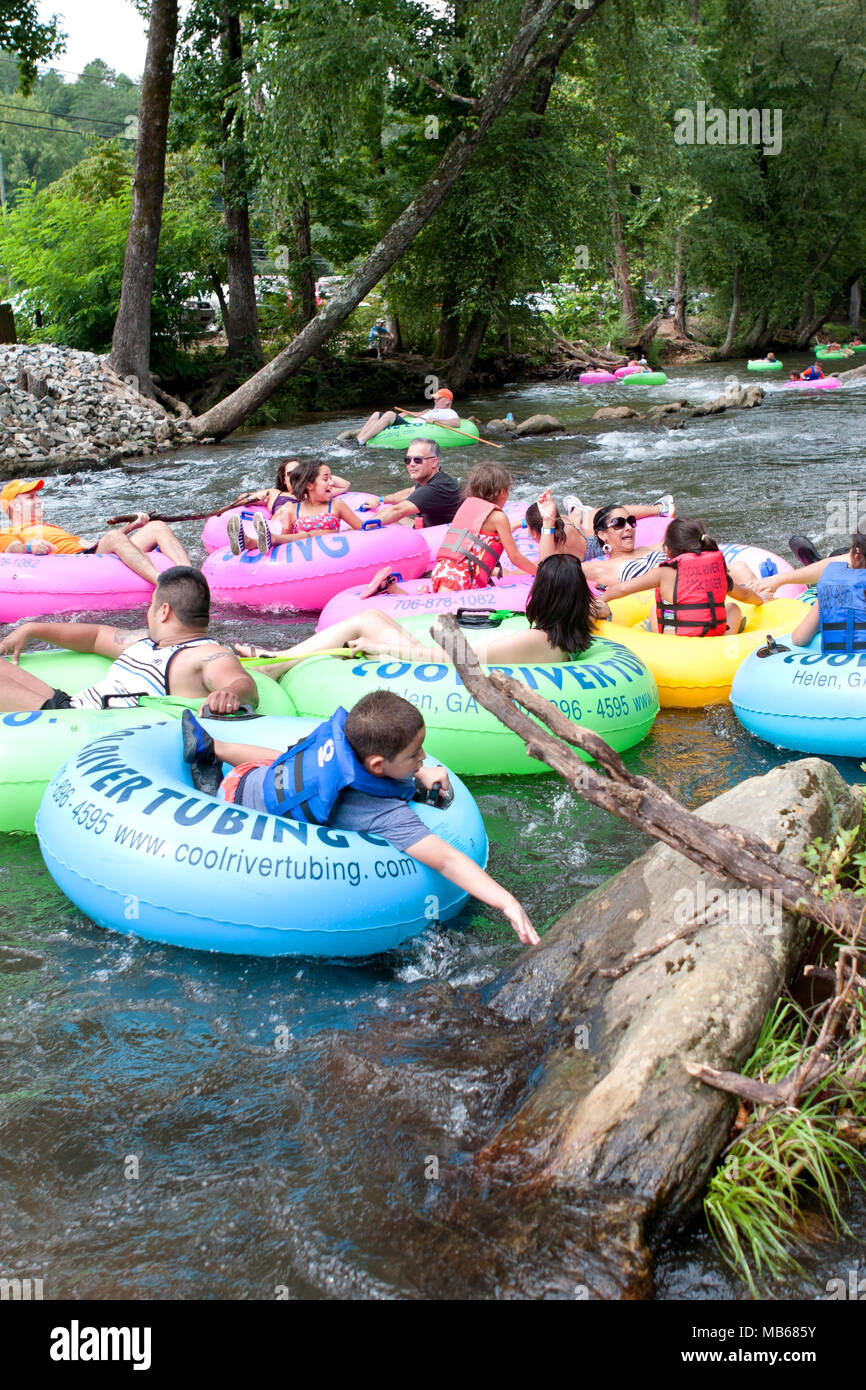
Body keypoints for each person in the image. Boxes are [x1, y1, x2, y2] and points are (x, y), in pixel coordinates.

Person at [180, 690, 537, 945]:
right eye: (416, 753)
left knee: (279, 758)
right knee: (275, 764)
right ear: (378, 766)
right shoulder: (380, 812)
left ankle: (213, 747)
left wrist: (418, 772)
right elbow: (445, 859)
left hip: (248, 775)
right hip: (230, 801)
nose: (423, 756)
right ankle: (209, 768)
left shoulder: (344, 746)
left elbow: (376, 772)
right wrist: (507, 901)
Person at [234, 552, 604, 671]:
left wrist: (384, 650)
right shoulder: (573, 630)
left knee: (368, 623)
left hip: (446, 676)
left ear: (544, 595)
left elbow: (458, 660)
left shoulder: (535, 639)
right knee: (376, 619)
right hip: (458, 663)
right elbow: (598, 607)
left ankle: (279, 662)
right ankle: (281, 657)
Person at [0, 566, 257, 715]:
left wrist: (230, 693)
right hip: (68, 705)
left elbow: (242, 683)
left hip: (80, 723)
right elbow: (96, 636)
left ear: (164, 610)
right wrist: (32, 628)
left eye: (151, 605)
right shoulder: (148, 640)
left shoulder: (204, 653)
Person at [359, 460, 536, 598]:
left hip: (443, 569)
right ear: (501, 492)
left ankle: (392, 588)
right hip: (462, 576)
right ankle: (391, 588)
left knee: (436, 601)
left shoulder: (468, 506)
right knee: (436, 610)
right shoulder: (498, 517)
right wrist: (540, 573)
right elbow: (515, 556)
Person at [0, 478, 191, 585]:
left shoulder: (51, 528)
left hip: (88, 556)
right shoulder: (8, 532)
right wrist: (30, 546)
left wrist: (131, 527)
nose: (39, 501)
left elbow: (91, 544)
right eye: (31, 498)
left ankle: (191, 577)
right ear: (14, 506)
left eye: (38, 496)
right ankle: (164, 584)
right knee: (114, 536)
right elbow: (11, 549)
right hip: (73, 564)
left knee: (156, 527)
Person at [596, 518, 765, 634]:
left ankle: (662, 642)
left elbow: (623, 588)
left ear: (668, 550)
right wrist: (762, 600)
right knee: (733, 609)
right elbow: (745, 595)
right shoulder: (717, 567)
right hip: (713, 635)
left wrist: (601, 600)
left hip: (676, 638)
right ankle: (725, 642)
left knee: (656, 610)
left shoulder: (663, 572)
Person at [227, 460, 368, 555]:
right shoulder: (293, 510)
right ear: (309, 485)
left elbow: (361, 528)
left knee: (308, 535)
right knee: (288, 537)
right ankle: (249, 541)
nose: (331, 483)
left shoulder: (336, 505)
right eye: (326, 479)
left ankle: (260, 539)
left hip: (331, 552)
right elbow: (285, 541)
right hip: (302, 556)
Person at [528, 489, 674, 564]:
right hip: (591, 545)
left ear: (534, 532)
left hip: (591, 546)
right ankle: (659, 509)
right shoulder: (565, 526)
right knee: (590, 516)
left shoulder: (548, 552)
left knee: (591, 516)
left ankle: (577, 510)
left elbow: (540, 564)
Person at [357, 438, 461, 529]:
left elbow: (398, 511)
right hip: (427, 528)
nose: (411, 464)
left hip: (440, 540)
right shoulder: (432, 478)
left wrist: (358, 528)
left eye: (418, 460)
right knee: (382, 513)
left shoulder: (438, 487)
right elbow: (409, 493)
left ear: (434, 462)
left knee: (385, 519)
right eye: (408, 460)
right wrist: (380, 500)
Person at [786, 534, 866, 650]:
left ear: (857, 555)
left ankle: (819, 563)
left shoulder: (833, 586)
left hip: (841, 662)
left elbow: (799, 639)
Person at [236, 458, 351, 516]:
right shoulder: (274, 493)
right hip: (280, 522)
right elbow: (243, 498)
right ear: (284, 479)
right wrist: (255, 497)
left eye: (298, 472)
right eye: (290, 474)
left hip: (301, 523)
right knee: (288, 506)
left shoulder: (313, 492)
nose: (294, 477)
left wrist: (318, 474)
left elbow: (345, 486)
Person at [355, 386, 460, 447]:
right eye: (435, 398)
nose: (435, 400)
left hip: (414, 428)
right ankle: (357, 440)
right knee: (376, 414)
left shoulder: (449, 412)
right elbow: (414, 415)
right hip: (411, 423)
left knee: (390, 414)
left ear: (447, 400)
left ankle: (361, 442)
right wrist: (412, 413)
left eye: (438, 398)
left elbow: (456, 423)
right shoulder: (432, 410)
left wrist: (437, 420)